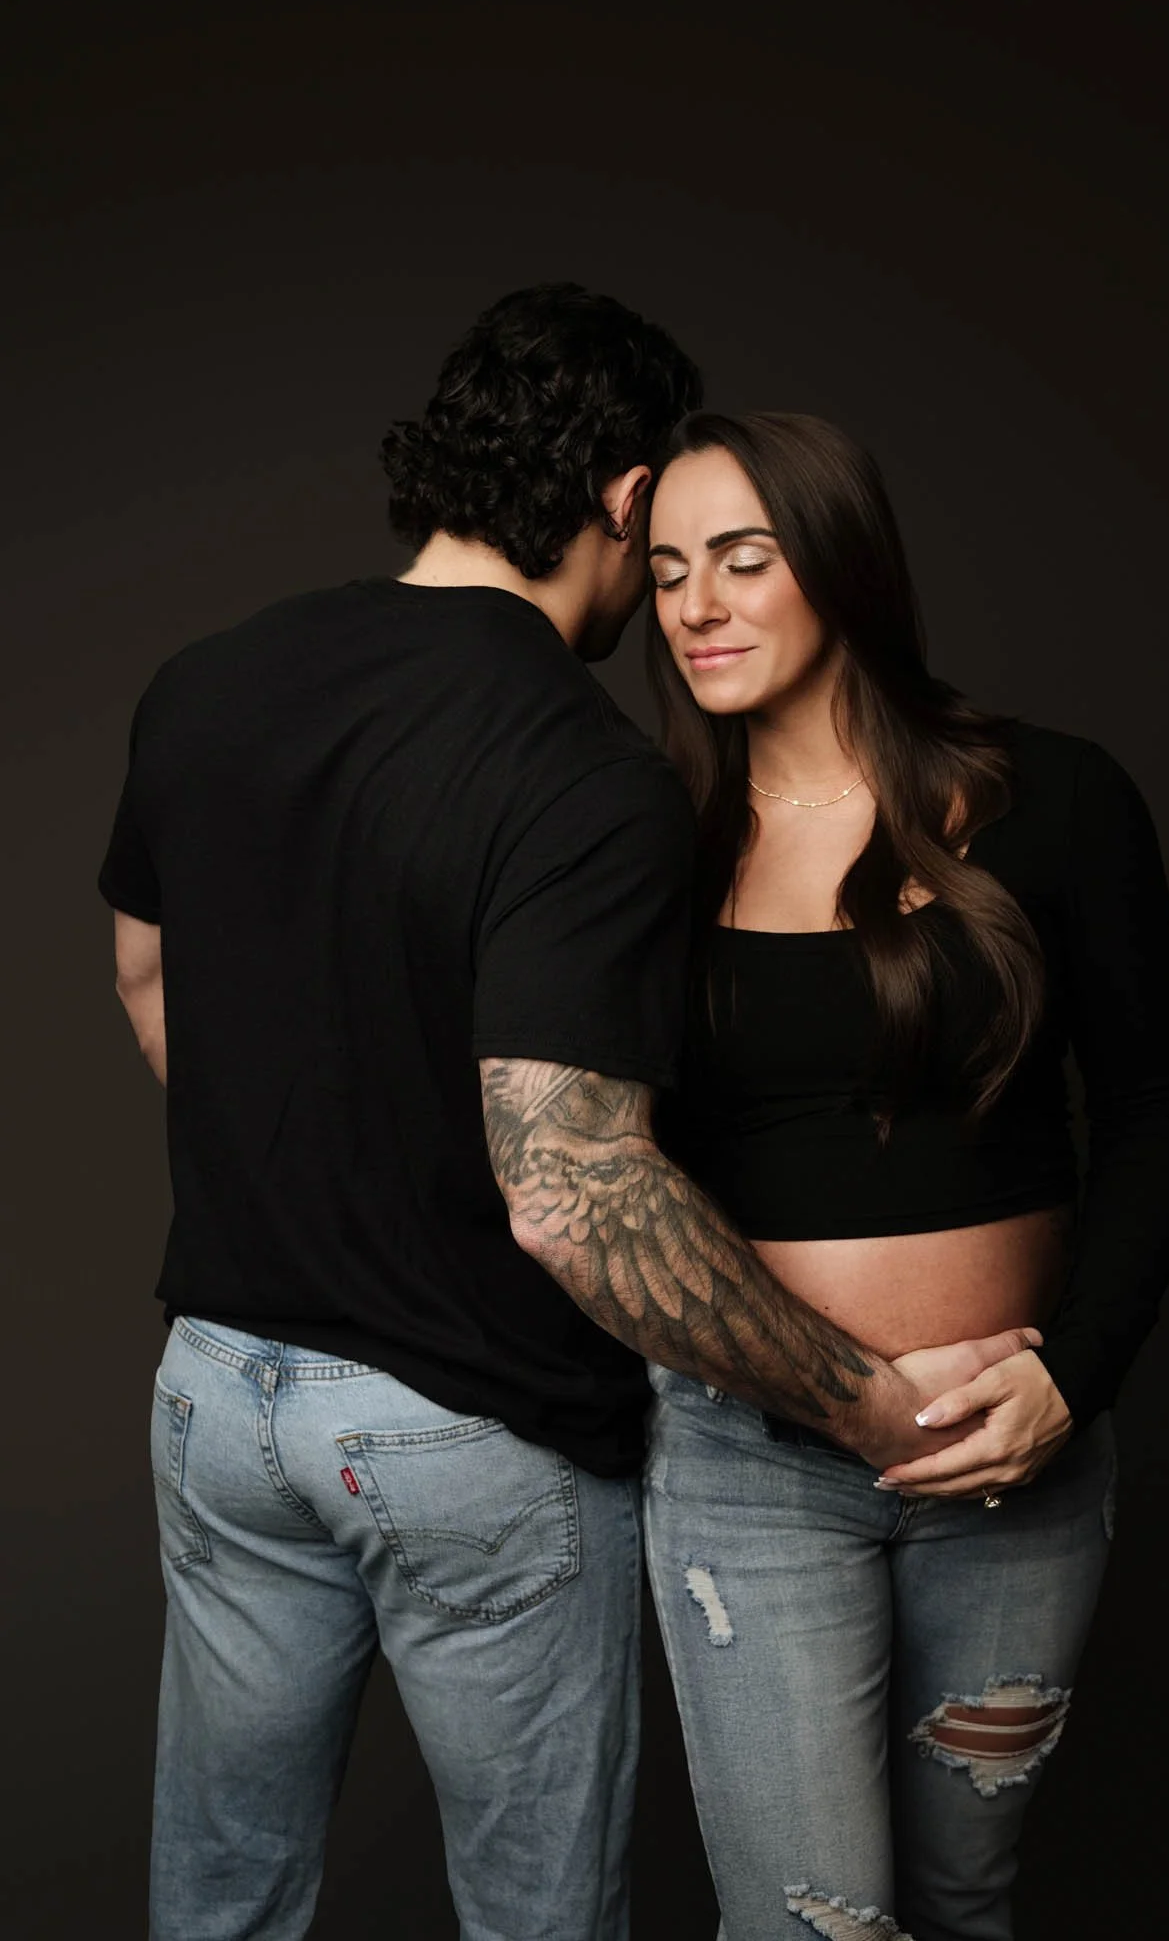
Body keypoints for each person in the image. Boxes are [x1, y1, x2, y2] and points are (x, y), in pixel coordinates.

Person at [100, 290, 1032, 1941]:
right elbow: (573, 1194)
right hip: (466, 1431)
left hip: (215, 1399)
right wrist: (871, 1409)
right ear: (620, 503)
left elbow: (148, 978)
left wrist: (308, 1169)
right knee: (536, 1921)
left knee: (222, 1898)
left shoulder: (208, 680)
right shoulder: (577, 767)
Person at [642, 411, 1169, 1941]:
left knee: (964, 1900)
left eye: (741, 561)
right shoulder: (648, 851)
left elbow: (1152, 1111)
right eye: (668, 567)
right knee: (808, 1920)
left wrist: (1071, 1381)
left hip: (1014, 1455)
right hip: (753, 1472)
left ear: (837, 561)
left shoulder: (1056, 800)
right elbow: (610, 1175)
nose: (694, 604)